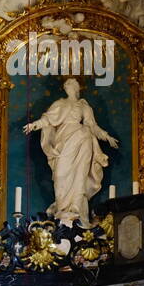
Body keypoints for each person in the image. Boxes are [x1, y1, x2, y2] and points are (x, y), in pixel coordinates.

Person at [23, 78, 118, 225]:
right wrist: (34, 125)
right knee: (60, 174)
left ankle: (76, 208)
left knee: (81, 173)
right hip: (63, 142)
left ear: (76, 88)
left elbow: (92, 126)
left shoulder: (84, 106)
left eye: (70, 84)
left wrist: (106, 137)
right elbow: (48, 119)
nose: (67, 87)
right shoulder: (60, 104)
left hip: (82, 139)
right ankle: (62, 208)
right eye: (66, 85)